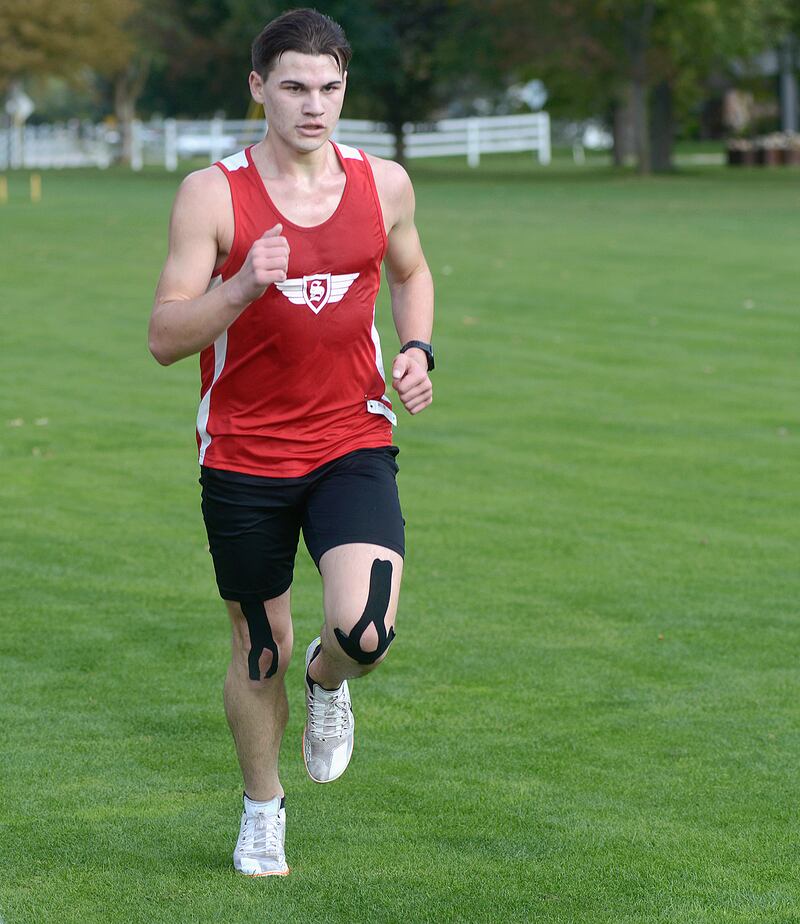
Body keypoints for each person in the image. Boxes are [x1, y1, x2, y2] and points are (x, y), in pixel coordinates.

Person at [148, 8, 434, 877]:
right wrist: (239, 287)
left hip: (352, 437)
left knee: (368, 629)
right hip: (242, 455)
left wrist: (417, 349)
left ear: (345, 87)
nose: (315, 106)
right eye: (295, 87)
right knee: (257, 645)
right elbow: (166, 335)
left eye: (330, 88)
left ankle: (330, 681)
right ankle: (262, 810)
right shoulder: (212, 193)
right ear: (258, 89)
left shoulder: (383, 184)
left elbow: (412, 270)